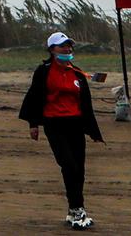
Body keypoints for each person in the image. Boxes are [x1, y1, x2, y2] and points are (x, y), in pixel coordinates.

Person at [18, 31, 102, 231]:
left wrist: (91, 129)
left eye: (69, 46)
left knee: (79, 169)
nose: (67, 49)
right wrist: (33, 124)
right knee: (69, 166)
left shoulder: (76, 72)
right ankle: (76, 209)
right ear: (52, 49)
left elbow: (85, 103)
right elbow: (34, 97)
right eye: (62, 46)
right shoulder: (43, 71)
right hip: (54, 125)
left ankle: (76, 209)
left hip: (75, 125)